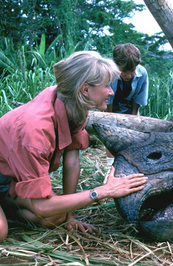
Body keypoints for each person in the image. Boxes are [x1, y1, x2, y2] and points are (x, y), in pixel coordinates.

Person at [0, 51, 148, 241]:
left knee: (57, 216)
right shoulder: (35, 130)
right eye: (106, 86)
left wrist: (70, 217)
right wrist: (102, 192)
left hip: (11, 178)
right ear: (85, 90)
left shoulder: (74, 104)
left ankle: (8, 204)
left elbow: (72, 161)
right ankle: (7, 206)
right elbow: (41, 206)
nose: (111, 92)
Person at [105, 43, 149, 169]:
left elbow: (139, 97)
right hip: (111, 106)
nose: (128, 75)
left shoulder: (142, 73)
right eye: (124, 71)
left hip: (129, 105)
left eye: (132, 71)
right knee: (110, 135)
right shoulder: (108, 72)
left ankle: (130, 164)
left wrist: (133, 118)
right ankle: (110, 167)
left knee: (134, 134)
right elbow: (108, 100)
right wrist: (110, 118)